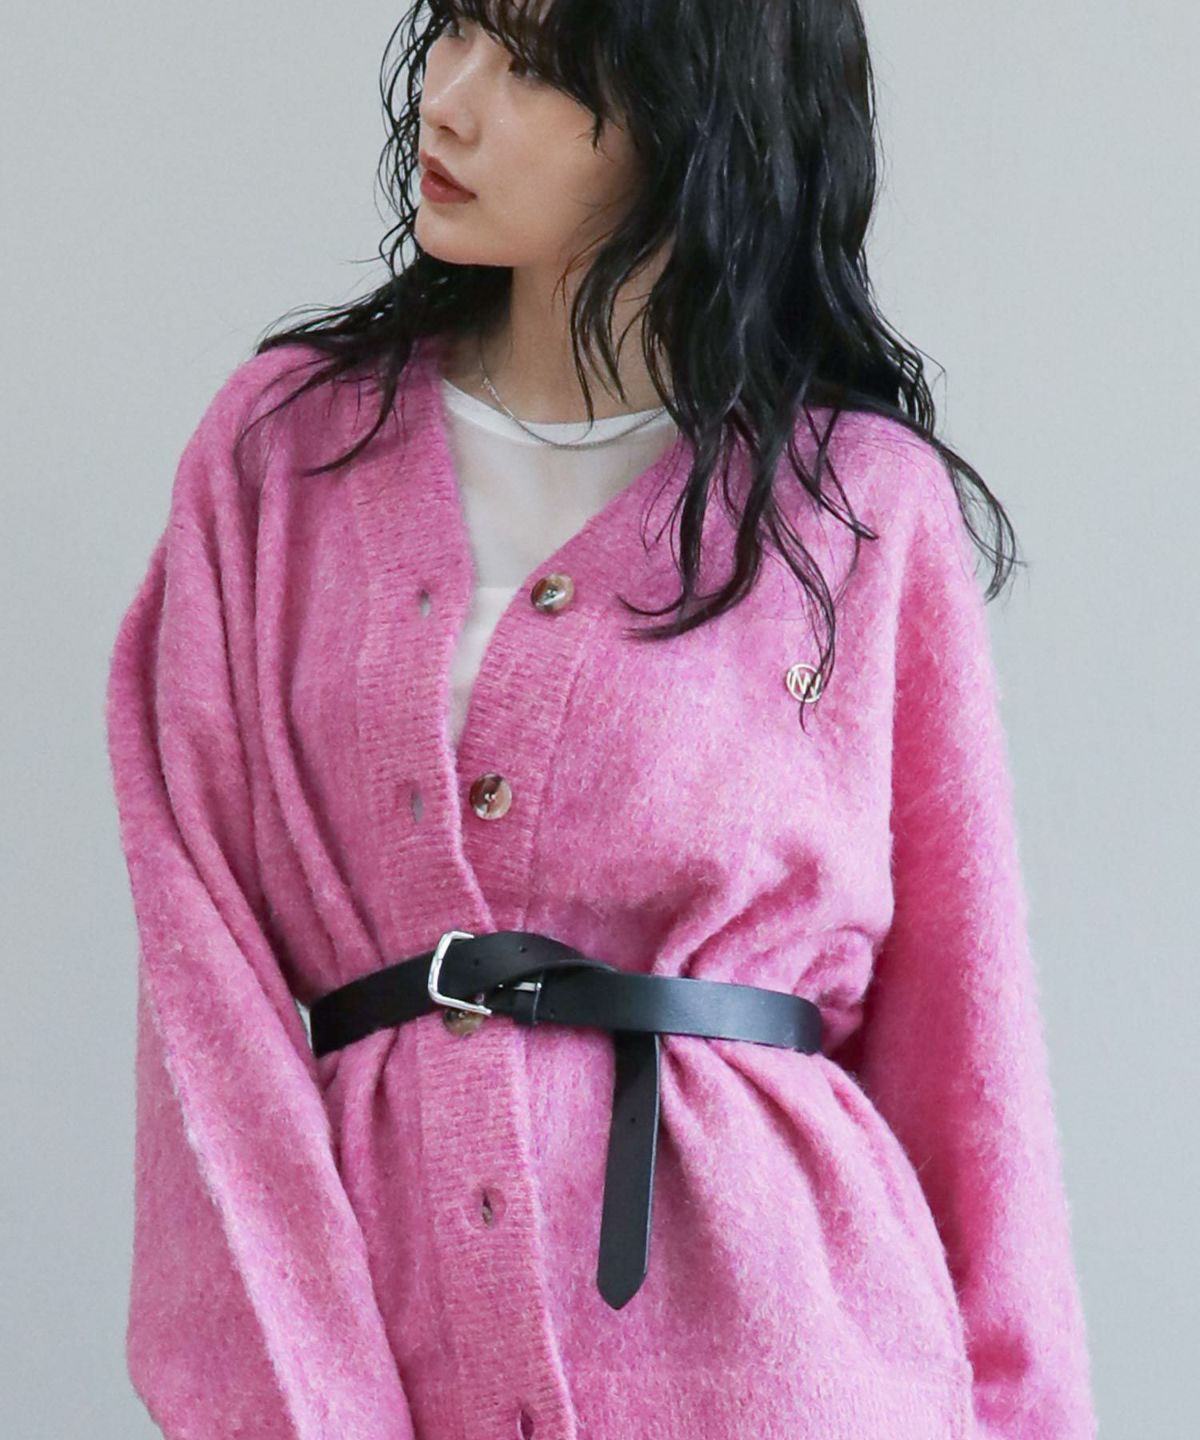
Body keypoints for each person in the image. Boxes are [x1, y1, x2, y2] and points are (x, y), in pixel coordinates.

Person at [104, 3, 1098, 1437]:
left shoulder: (861, 510)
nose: (448, 98)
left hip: (789, 1362)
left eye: (530, 66)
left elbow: (968, 1044)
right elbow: (203, 982)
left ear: (693, 115)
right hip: (387, 1328)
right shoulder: (285, 456)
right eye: (453, 29)